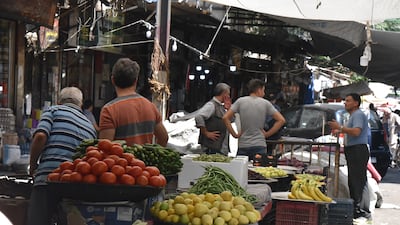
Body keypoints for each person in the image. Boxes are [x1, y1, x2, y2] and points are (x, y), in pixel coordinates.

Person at [27, 87, 97, 225]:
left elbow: (40, 136)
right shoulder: (90, 126)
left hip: (48, 179)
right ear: (81, 105)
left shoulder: (53, 111)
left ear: (59, 101)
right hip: (74, 184)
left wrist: (33, 166)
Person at [98, 58, 168, 146]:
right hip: (144, 159)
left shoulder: (109, 110)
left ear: (113, 80)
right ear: (136, 80)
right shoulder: (150, 107)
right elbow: (164, 138)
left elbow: (104, 147)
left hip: (121, 160)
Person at [328, 93, 371, 219]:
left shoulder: (358, 114)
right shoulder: (351, 116)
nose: (345, 103)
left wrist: (340, 127)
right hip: (353, 149)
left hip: (358, 150)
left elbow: (356, 131)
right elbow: (351, 132)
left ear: (356, 103)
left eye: (348, 101)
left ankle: (362, 211)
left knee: (358, 180)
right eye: (345, 101)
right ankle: (358, 209)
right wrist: (339, 130)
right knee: (354, 179)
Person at [222, 79, 286, 160]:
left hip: (243, 144)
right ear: (259, 90)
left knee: (242, 170)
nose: (264, 93)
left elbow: (225, 117)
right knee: (257, 170)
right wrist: (267, 134)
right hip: (259, 144)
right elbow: (281, 120)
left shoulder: (240, 101)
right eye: (263, 90)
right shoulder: (265, 103)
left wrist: (234, 134)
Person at [195, 83, 231, 155]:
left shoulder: (221, 107)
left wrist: (229, 109)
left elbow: (231, 120)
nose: (229, 96)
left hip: (219, 147)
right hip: (211, 147)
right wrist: (206, 133)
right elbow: (199, 116)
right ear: (224, 93)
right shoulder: (211, 105)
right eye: (228, 94)